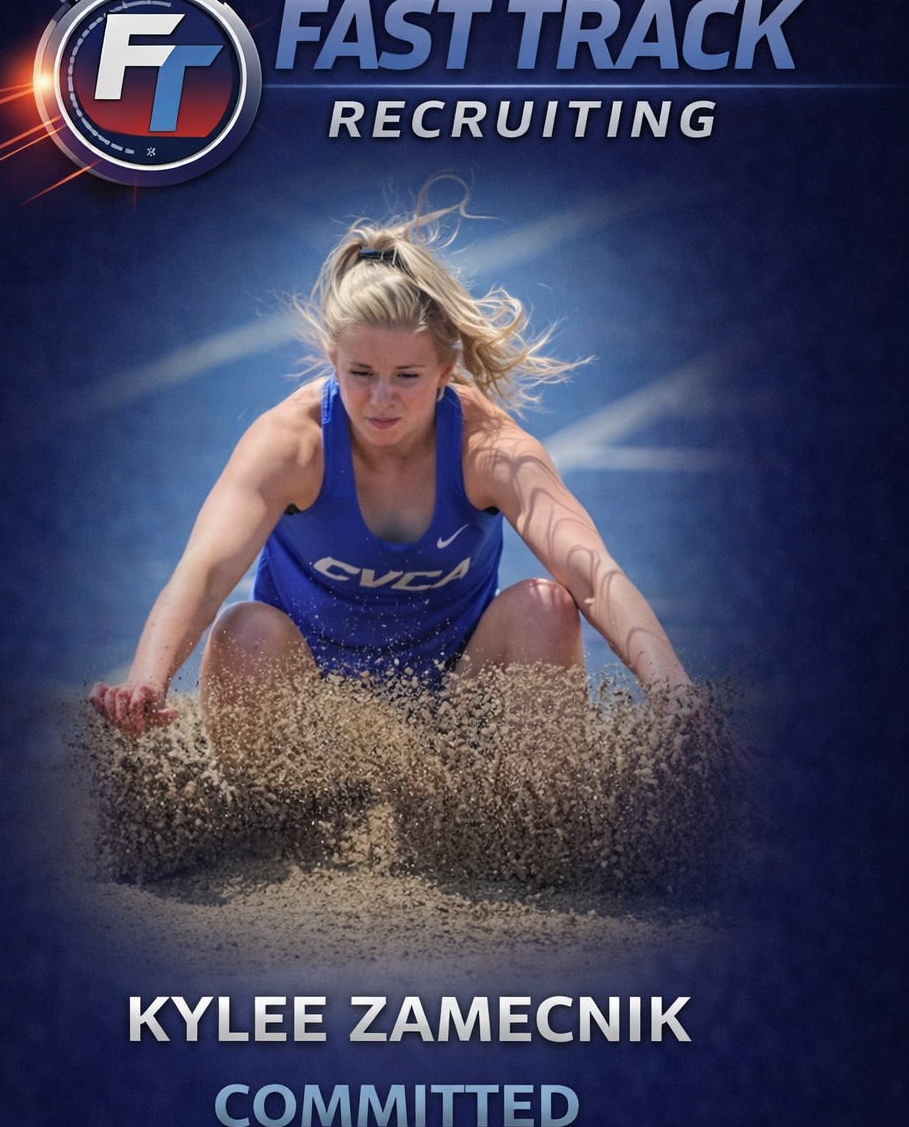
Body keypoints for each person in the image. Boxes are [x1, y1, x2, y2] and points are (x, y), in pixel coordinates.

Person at [90, 187, 693, 744]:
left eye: (406, 376)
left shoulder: (489, 449)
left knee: (545, 605)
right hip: (315, 721)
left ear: (446, 370)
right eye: (360, 374)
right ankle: (278, 834)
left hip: (454, 717)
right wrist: (147, 679)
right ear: (333, 358)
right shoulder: (290, 445)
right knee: (243, 629)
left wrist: (672, 692)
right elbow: (203, 574)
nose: (381, 400)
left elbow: (591, 575)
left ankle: (531, 834)